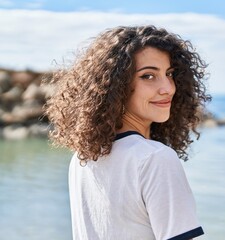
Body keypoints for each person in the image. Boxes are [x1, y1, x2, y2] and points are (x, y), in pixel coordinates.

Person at [45, 25, 211, 240]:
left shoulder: (82, 157)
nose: (167, 88)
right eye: (148, 76)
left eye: (169, 74)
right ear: (116, 85)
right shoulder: (154, 159)